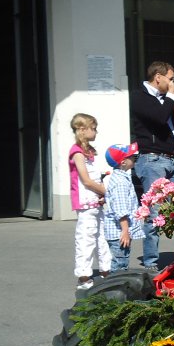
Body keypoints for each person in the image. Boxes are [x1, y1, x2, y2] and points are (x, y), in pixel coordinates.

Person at [131, 60, 174, 270]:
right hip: (152, 159)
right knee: (154, 213)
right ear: (157, 77)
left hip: (173, 159)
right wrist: (170, 95)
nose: (173, 83)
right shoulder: (139, 96)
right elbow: (159, 118)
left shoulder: (171, 98)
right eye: (170, 79)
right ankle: (151, 263)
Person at [68, 113, 110, 290]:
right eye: (93, 128)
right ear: (82, 130)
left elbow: (94, 177)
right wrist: (106, 192)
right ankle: (83, 276)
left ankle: (106, 270)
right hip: (86, 204)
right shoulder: (77, 152)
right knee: (86, 239)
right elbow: (86, 180)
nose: (96, 131)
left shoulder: (89, 152)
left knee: (102, 237)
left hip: (95, 202)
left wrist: (102, 194)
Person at [102, 143, 145, 270]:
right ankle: (115, 287)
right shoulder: (121, 182)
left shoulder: (120, 178)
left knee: (121, 262)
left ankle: (116, 285)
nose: (134, 157)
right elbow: (121, 210)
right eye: (131, 156)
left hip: (119, 231)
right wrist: (125, 231)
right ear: (123, 162)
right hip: (119, 232)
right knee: (120, 265)